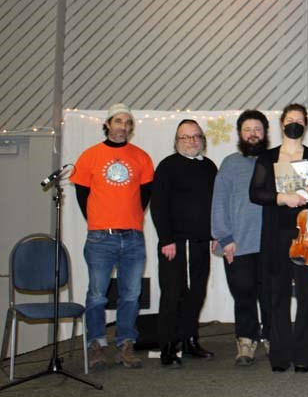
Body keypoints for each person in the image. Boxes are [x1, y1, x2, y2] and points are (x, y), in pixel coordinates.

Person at [70, 103, 154, 372]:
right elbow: (82, 194)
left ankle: (125, 344)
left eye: (127, 123)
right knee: (96, 295)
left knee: (131, 294)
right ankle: (96, 344)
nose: (122, 127)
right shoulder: (90, 156)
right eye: (117, 121)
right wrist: (99, 221)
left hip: (133, 238)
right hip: (99, 239)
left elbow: (144, 196)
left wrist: (127, 219)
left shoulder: (141, 157)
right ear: (107, 124)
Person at [250, 104, 308, 373]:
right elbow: (255, 193)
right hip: (276, 232)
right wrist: (281, 197)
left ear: (305, 125)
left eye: (299, 120)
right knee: (278, 294)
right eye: (289, 119)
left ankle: (303, 354)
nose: (294, 123)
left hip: (306, 233)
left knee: (307, 294)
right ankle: (280, 354)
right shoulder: (267, 157)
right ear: (281, 123)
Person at [151, 120, 217, 367]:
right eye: (185, 137)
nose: (191, 141)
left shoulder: (209, 167)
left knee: (197, 293)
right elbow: (158, 205)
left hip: (201, 242)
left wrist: (216, 234)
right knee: (172, 294)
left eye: (196, 136)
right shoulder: (167, 167)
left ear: (202, 140)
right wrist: (166, 239)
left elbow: (216, 204)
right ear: (176, 141)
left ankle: (190, 341)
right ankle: (168, 347)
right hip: (174, 243)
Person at [211, 110, 271, 366]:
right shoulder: (229, 164)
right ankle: (245, 341)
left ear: (265, 133)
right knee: (244, 294)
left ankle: (271, 336)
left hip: (270, 243)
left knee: (270, 293)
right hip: (239, 243)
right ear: (239, 134)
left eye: (258, 129)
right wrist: (225, 237)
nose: (253, 134)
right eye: (248, 129)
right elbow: (219, 203)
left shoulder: (276, 162)